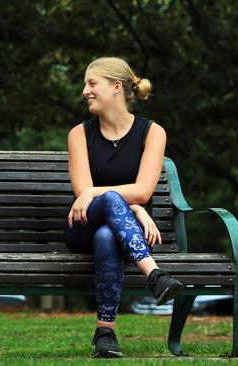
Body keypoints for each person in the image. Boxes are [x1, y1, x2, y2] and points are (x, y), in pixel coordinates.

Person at [65, 57, 184, 358]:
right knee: (106, 208)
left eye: (92, 84)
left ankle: (105, 333)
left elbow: (144, 190)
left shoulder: (152, 132)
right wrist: (137, 209)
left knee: (107, 236)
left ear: (116, 87)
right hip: (83, 225)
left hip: (123, 233)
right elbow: (84, 194)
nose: (85, 91)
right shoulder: (79, 134)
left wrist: (129, 203)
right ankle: (154, 274)